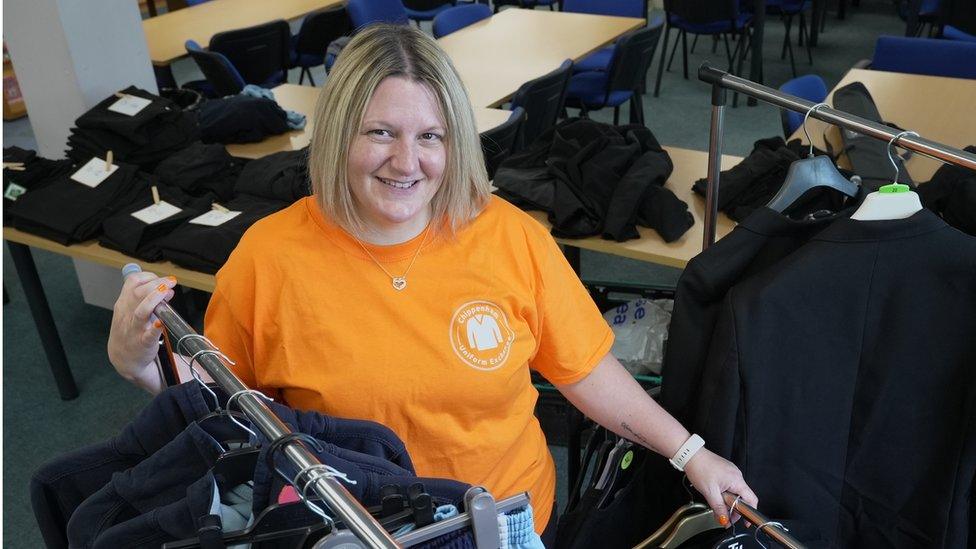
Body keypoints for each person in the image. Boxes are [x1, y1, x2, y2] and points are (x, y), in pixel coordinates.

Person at [108, 24, 757, 543]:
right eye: (380, 133)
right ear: (339, 135)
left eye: (430, 136)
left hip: (509, 521)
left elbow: (583, 368)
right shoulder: (268, 258)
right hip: (356, 525)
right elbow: (227, 403)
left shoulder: (509, 236)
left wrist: (690, 452)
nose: (406, 161)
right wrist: (140, 365)